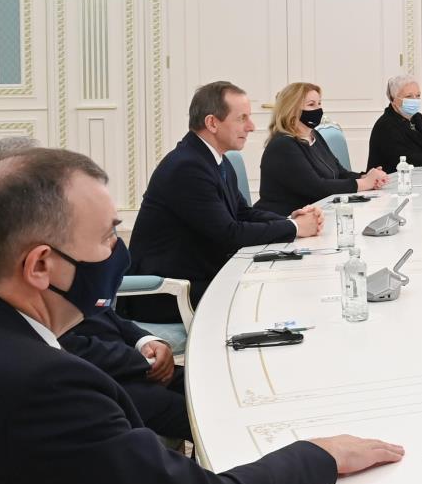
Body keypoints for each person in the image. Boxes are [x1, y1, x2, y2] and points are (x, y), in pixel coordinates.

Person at [0, 147, 402, 484]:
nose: (119, 252)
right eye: (107, 236)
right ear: (41, 265)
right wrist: (322, 455)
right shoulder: (41, 386)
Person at [0, 139, 189, 439]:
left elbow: (105, 314)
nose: (115, 250)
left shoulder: (65, 286)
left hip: (131, 365)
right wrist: (142, 362)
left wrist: (144, 340)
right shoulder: (47, 378)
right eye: (105, 237)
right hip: (118, 377)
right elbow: (70, 350)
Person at [124, 81, 323, 323]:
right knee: (275, 298)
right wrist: (295, 228)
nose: (251, 127)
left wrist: (290, 220)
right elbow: (229, 234)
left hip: (201, 276)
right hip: (170, 293)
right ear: (212, 123)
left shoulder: (214, 159)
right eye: (242, 118)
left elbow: (243, 213)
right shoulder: (187, 167)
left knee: (283, 286)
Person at [256, 82, 388, 215]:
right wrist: (365, 183)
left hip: (317, 212)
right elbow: (317, 188)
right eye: (311, 104)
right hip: (285, 219)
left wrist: (367, 177)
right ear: (291, 110)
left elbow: (339, 172)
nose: (318, 109)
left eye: (319, 103)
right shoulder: (283, 145)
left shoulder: (313, 135)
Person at [367, 74, 422, 171]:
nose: (415, 100)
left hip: (420, 175)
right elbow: (405, 160)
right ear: (393, 99)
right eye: (409, 96)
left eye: (418, 95)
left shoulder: (418, 118)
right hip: (392, 177)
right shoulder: (385, 125)